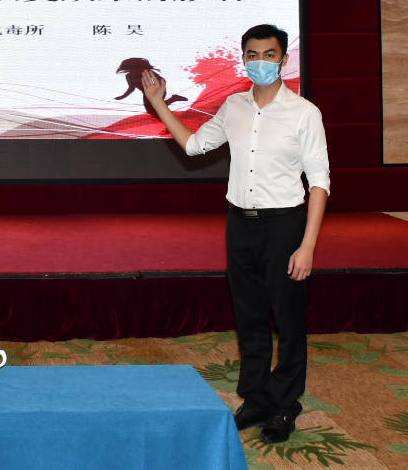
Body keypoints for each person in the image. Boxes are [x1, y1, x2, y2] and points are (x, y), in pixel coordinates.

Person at [140, 24, 329, 444]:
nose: (260, 62)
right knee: (249, 317)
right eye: (252, 55)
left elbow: (319, 182)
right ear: (243, 59)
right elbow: (194, 146)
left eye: (269, 55)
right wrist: (158, 104)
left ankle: (284, 406)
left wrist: (308, 245)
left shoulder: (304, 113)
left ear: (284, 60)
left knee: (288, 321)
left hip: (284, 225)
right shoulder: (234, 106)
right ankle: (256, 399)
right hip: (240, 224)